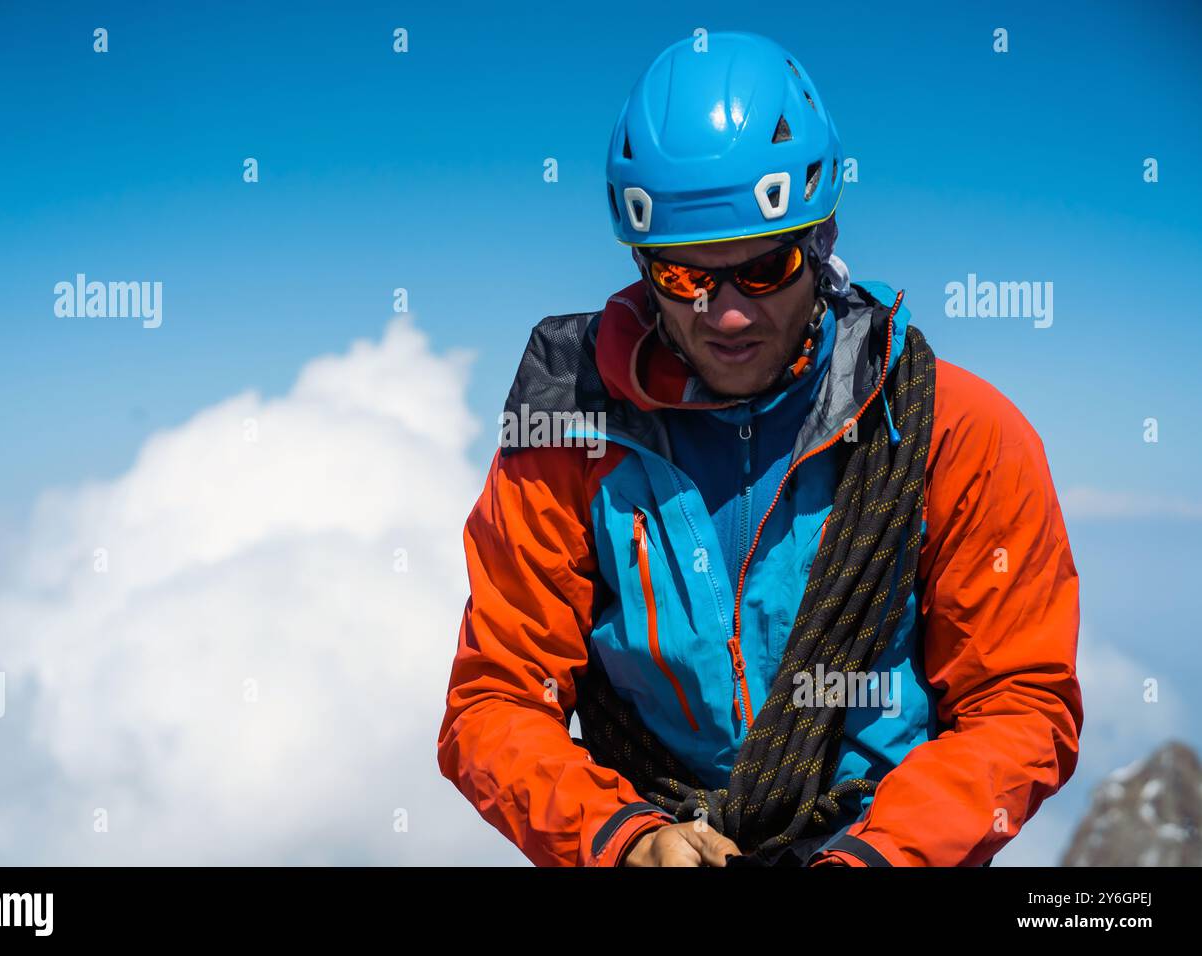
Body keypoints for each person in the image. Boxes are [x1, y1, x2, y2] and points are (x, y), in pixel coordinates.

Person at [437, 31, 1082, 867]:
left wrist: (880, 857)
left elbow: (1018, 704)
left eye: (767, 268)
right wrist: (624, 842)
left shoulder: (954, 433)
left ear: (822, 243)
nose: (729, 314)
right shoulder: (565, 436)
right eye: (686, 278)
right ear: (644, 263)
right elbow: (494, 700)